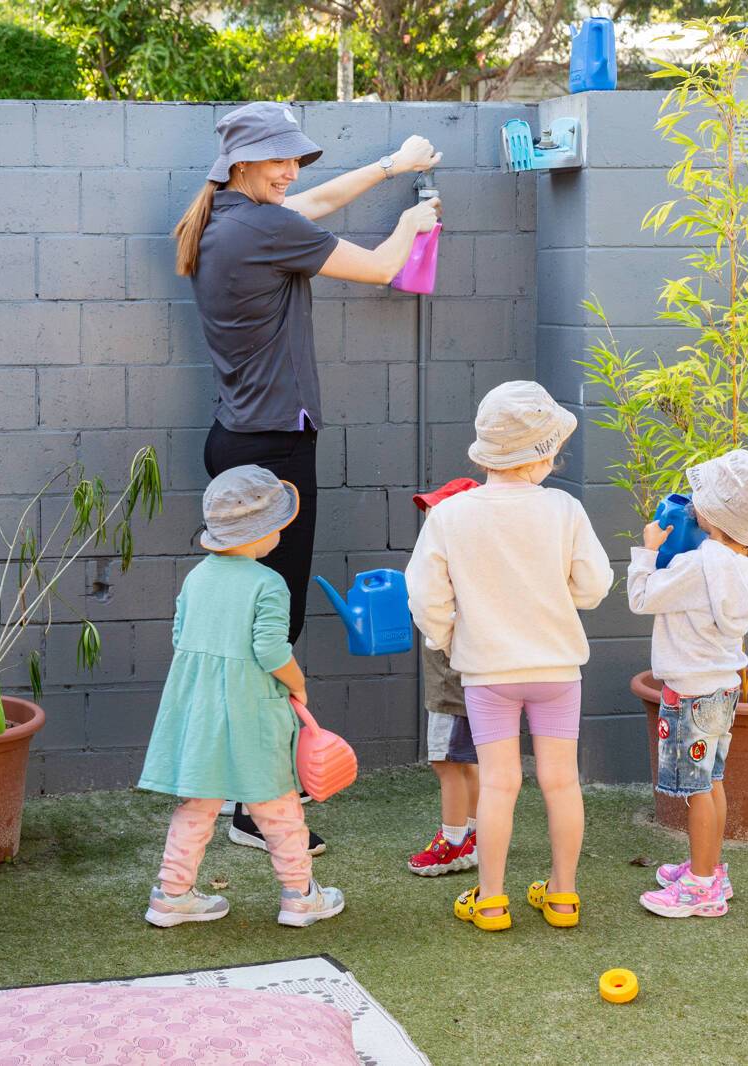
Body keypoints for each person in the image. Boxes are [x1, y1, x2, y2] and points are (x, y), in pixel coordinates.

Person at [174, 100, 443, 852]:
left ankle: (237, 793)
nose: (292, 170)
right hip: (275, 457)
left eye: (296, 157)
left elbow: (313, 205)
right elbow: (383, 268)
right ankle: (256, 808)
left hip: (238, 443)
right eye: (279, 157)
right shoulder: (261, 228)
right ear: (240, 164)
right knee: (274, 630)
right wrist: (412, 224)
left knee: (251, 628)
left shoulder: (227, 219)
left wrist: (391, 166)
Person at [405, 382, 613, 931]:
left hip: (487, 673)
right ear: (542, 455)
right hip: (556, 670)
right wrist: (559, 598)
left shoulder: (450, 515)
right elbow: (594, 585)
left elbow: (425, 595)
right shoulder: (564, 509)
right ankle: (563, 896)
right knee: (561, 782)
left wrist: (445, 638)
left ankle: (492, 901)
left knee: (499, 784)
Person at [140, 465, 344, 929]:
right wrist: (297, 682)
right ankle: (299, 896)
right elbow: (270, 649)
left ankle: (171, 895)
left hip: (198, 709)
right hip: (252, 710)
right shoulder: (268, 583)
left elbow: (179, 636)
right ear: (262, 531)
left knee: (197, 803)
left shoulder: (196, 578)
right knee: (277, 803)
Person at [629, 450, 748, 918]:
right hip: (722, 691)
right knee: (712, 781)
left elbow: (641, 598)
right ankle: (710, 868)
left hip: (690, 693)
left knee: (696, 790)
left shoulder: (697, 566)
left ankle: (700, 887)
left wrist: (647, 551)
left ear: (714, 512)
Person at [406, 478, 481, 877]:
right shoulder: (467, 565)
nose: (431, 519)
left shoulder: (452, 568)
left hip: (452, 685)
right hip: (463, 681)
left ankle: (454, 842)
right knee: (466, 761)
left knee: (447, 762)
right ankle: (473, 834)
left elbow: (436, 614)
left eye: (439, 513)